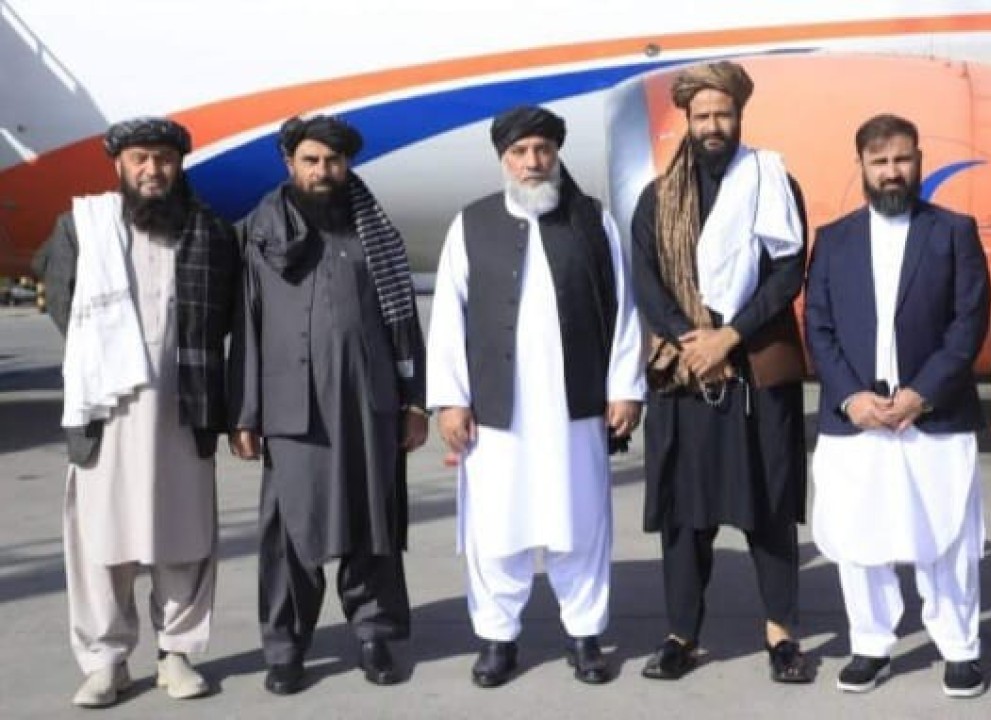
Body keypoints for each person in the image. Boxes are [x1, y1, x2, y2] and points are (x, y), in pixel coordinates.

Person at [426, 105, 645, 688]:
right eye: (520, 152)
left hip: (576, 406)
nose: (532, 162)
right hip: (497, 414)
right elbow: (447, 317)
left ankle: (586, 635)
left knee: (581, 523)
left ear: (556, 154)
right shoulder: (471, 224)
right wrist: (451, 399)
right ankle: (497, 638)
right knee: (497, 527)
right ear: (503, 159)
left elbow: (623, 308)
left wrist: (625, 387)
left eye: (543, 150)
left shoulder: (591, 221)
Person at [33, 117, 238, 707]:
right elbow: (63, 304)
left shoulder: (209, 232)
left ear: (180, 165)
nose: (153, 170)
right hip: (105, 414)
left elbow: (228, 315)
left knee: (183, 535)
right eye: (141, 159)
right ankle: (106, 661)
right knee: (100, 541)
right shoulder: (83, 228)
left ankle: (176, 654)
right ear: (119, 165)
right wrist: (112, 356)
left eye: (164, 159)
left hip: (183, 408)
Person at [228, 115, 428, 695]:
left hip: (369, 403)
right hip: (294, 410)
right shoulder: (262, 233)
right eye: (311, 160)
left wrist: (414, 402)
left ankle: (375, 636)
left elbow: (402, 325)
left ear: (348, 165)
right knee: (292, 532)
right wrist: (244, 413)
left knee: (373, 523)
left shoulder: (373, 231)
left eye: (334, 161)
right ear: (289, 164)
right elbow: (247, 325)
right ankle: (286, 649)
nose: (323, 171)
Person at [630, 60, 813, 683]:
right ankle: (681, 634)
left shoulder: (772, 182)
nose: (713, 126)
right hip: (687, 379)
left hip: (753, 370)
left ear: (739, 116)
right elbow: (646, 281)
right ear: (687, 119)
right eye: (703, 115)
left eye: (723, 115)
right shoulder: (658, 198)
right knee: (685, 514)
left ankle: (782, 635)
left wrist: (728, 337)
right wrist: (693, 346)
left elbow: (787, 273)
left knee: (769, 504)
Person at [806, 114, 991, 698]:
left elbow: (969, 322)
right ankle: (870, 645)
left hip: (933, 414)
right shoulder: (833, 240)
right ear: (861, 166)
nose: (892, 172)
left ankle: (959, 648)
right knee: (859, 536)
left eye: (902, 160)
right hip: (858, 418)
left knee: (948, 537)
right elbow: (819, 326)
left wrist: (922, 392)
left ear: (919, 161)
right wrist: (851, 398)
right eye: (880, 161)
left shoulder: (953, 231)